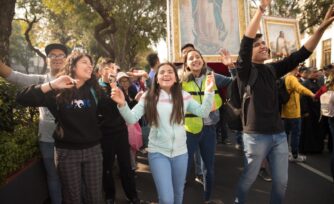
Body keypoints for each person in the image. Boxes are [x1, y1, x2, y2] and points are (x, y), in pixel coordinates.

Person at [234, 1, 334, 203]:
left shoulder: (272, 69)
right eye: (258, 44)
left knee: (281, 183)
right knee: (249, 178)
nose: (263, 46)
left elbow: (302, 53)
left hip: (278, 136)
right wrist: (261, 11)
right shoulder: (244, 70)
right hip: (255, 137)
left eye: (264, 44)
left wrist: (321, 29)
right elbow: (246, 41)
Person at [111, 62, 215, 204]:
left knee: (178, 195)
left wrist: (209, 92)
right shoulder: (148, 96)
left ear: (176, 78)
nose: (166, 74)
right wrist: (122, 104)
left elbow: (203, 112)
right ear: (157, 79)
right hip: (158, 153)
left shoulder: (185, 96)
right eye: (162, 72)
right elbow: (131, 118)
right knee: (167, 199)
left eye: (170, 72)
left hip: (181, 154)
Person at [16, 51, 104, 204]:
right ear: (73, 66)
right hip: (67, 153)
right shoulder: (58, 91)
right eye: (84, 62)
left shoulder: (95, 90)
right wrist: (51, 85)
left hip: (93, 151)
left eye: (91, 63)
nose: (90, 65)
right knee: (72, 198)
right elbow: (21, 98)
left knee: (94, 197)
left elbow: (112, 114)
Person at [0, 43, 67, 204]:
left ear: (66, 59)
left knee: (72, 175)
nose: (56, 58)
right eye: (52, 55)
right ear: (47, 59)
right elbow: (13, 76)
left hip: (70, 139)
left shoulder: (75, 81)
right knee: (53, 176)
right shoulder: (40, 80)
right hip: (47, 138)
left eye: (60, 55)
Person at [180, 49, 234, 203]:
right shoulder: (181, 81)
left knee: (208, 168)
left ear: (203, 60)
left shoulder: (212, 77)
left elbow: (235, 81)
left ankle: (207, 199)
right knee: (184, 166)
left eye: (198, 57)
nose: (195, 60)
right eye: (191, 58)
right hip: (190, 131)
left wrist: (230, 66)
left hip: (209, 129)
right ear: (187, 64)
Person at [97, 61, 141, 204]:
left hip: (121, 132)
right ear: (100, 71)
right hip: (104, 134)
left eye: (114, 68)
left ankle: (132, 195)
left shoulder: (119, 87)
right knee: (107, 167)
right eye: (108, 68)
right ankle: (110, 196)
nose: (112, 70)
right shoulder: (95, 88)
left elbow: (126, 108)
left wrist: (135, 101)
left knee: (126, 166)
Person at [281, 67, 315, 162]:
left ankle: (285, 153)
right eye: (297, 69)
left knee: (285, 134)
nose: (297, 71)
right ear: (294, 69)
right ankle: (294, 155)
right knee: (295, 134)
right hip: (294, 113)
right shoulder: (292, 78)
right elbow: (300, 88)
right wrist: (311, 94)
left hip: (285, 112)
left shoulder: (284, 78)